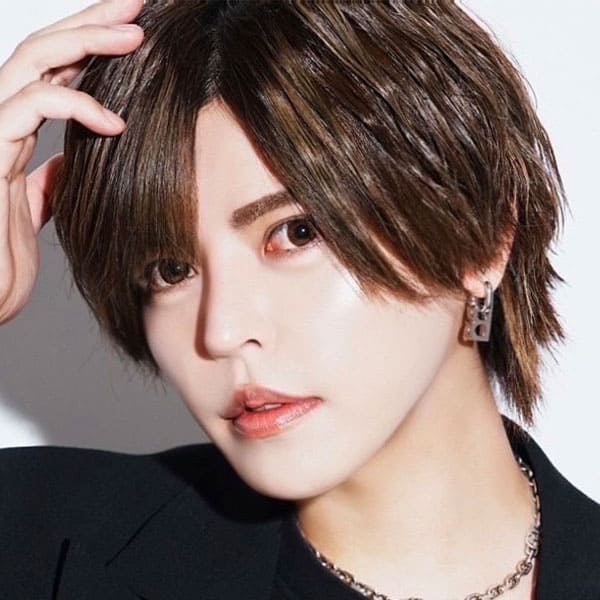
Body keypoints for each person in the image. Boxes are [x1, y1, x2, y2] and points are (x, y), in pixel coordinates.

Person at [0, 0, 598, 598]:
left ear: (482, 241)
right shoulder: (35, 539)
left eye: (296, 233)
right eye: (171, 269)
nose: (221, 332)